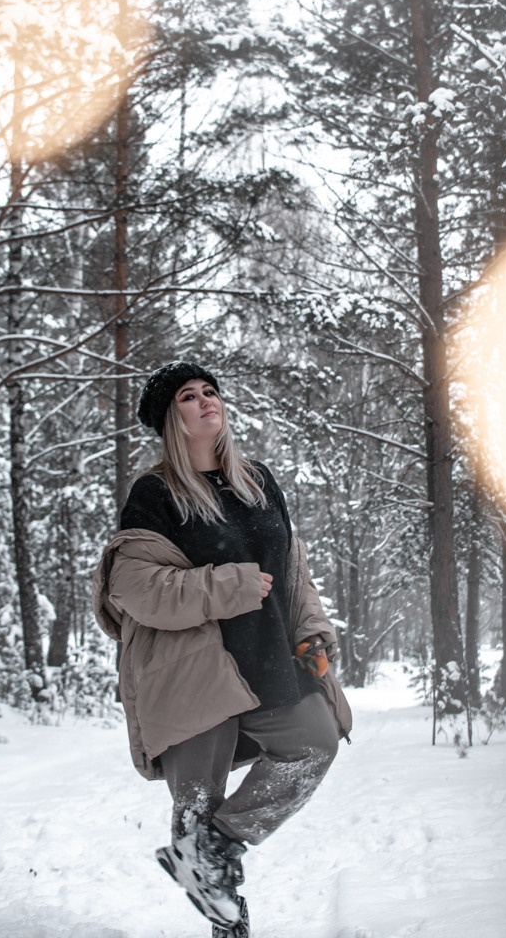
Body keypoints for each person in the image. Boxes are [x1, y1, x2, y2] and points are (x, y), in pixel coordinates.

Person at [92, 361, 352, 938]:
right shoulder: (155, 493)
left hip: (267, 658)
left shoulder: (257, 481)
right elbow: (132, 587)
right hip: (190, 671)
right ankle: (226, 923)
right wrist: (225, 587)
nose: (207, 401)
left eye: (211, 391)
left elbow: (292, 570)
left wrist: (312, 630)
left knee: (314, 743)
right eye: (189, 396)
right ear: (171, 419)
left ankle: (210, 851)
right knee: (197, 802)